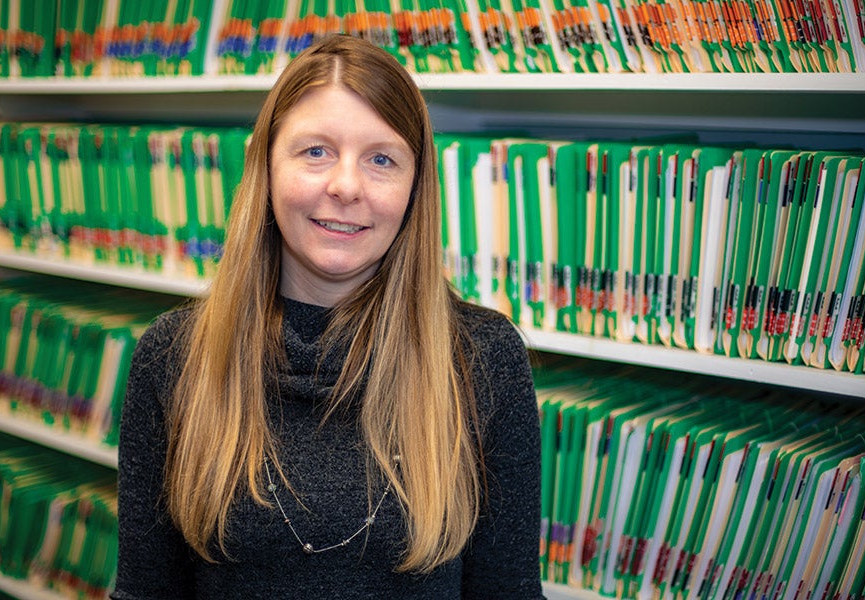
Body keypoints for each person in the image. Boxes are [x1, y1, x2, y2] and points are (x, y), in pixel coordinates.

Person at [112, 34, 543, 599]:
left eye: (381, 159)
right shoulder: (173, 357)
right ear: (266, 168)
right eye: (315, 151)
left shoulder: (483, 359)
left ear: (416, 188)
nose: (345, 186)